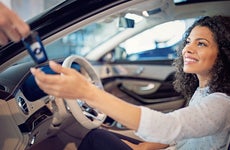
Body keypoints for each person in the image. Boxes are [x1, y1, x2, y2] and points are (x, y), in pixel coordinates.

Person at [31, 15, 230, 149]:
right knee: (100, 134)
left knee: (96, 138)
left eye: (201, 43)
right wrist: (143, 147)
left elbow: (170, 126)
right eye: (188, 42)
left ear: (224, 54)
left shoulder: (220, 104)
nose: (188, 49)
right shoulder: (205, 91)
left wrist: (87, 92)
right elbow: (182, 134)